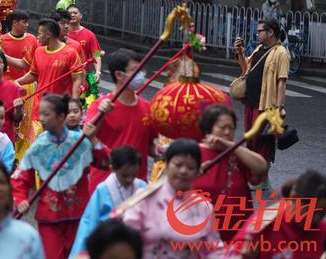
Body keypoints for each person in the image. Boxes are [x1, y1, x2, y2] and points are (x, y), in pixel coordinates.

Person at [12, 94, 109, 259]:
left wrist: (93, 140)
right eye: (40, 113)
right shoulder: (39, 144)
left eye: (46, 114)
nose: (41, 119)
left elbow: (106, 162)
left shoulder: (81, 141)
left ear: (61, 116)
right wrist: (21, 199)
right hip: (50, 217)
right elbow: (20, 177)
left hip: (78, 215)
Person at [121, 138, 228, 259]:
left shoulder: (204, 207)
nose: (183, 171)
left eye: (190, 167)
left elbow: (214, 250)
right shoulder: (144, 197)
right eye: (178, 165)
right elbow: (125, 240)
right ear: (166, 166)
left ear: (198, 171)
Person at [192, 104, 267, 241]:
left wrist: (231, 146)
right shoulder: (195, 153)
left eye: (231, 128)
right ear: (209, 129)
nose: (227, 132)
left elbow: (261, 166)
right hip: (203, 231)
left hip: (238, 230)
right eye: (222, 128)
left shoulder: (238, 153)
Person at [85, 49, 157, 190]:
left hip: (136, 186)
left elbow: (151, 147)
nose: (141, 75)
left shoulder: (148, 107)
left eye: (141, 70)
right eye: (135, 70)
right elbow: (88, 136)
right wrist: (100, 115)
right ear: (119, 74)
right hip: (104, 185)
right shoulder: (99, 106)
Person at [234, 18, 290, 190]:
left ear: (270, 32)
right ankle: (257, 177)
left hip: (266, 106)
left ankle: (260, 178)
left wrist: (279, 109)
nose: (257, 34)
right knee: (250, 140)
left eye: (260, 31)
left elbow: (282, 82)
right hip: (251, 102)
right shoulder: (259, 49)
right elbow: (246, 70)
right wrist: (241, 53)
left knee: (262, 142)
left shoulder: (281, 53)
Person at [70, 146, 147, 258]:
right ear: (112, 168)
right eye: (124, 175)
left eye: (133, 175)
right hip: (108, 246)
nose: (130, 179)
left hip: (136, 245)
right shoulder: (103, 189)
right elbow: (90, 222)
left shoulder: (142, 187)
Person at [230, 170, 326, 259]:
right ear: (293, 197)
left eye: (322, 213)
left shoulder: (322, 231)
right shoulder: (264, 224)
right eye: (311, 212)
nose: (316, 219)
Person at [15, 19, 83, 123]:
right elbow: (33, 74)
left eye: (39, 34)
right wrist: (17, 82)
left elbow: (77, 78)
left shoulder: (70, 53)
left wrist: (74, 101)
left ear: (48, 34)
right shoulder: (38, 51)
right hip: (40, 105)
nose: (37, 37)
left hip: (60, 106)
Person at [1, 10, 39, 157]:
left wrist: (4, 56)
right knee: (9, 118)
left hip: (26, 85)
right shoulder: (1, 40)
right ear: (14, 23)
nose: (27, 25)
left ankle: (22, 154)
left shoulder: (32, 39)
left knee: (25, 120)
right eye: (24, 22)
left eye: (27, 22)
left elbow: (26, 65)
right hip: (7, 85)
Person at [67, 5, 102, 82]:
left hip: (82, 75)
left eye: (75, 13)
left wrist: (98, 72)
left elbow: (96, 54)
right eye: (70, 13)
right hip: (64, 75)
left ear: (80, 16)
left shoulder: (90, 35)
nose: (72, 15)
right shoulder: (61, 33)